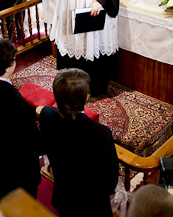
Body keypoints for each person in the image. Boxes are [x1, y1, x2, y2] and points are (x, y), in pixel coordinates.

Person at [37, 69, 119, 216]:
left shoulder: (46, 114)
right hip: (93, 204)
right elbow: (110, 179)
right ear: (86, 97)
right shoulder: (101, 133)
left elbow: (43, 146)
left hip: (64, 196)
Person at [0, 38, 42, 200]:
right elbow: (31, 139)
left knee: (6, 192)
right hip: (17, 165)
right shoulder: (12, 101)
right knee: (23, 201)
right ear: (7, 67)